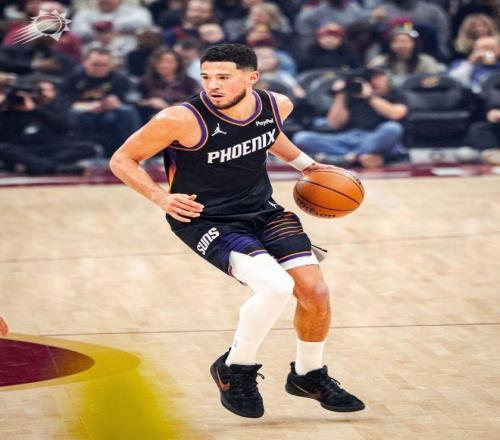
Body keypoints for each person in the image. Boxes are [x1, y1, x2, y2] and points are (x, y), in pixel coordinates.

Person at [110, 43, 364, 419]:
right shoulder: (179, 119)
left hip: (262, 211)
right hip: (206, 219)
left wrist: (308, 166)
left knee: (315, 291)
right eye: (206, 77)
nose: (213, 85)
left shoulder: (277, 105)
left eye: (223, 77)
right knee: (275, 286)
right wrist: (160, 197)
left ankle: (308, 374)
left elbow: (269, 134)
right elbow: (122, 159)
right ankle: (236, 369)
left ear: (251, 78)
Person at [293, 68, 408, 168]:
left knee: (392, 128)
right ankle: (359, 157)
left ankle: (342, 158)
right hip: (347, 138)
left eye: (379, 77)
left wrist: (369, 97)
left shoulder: (395, 94)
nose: (375, 81)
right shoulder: (350, 94)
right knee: (302, 138)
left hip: (376, 138)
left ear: (388, 78)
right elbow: (334, 124)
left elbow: (396, 114)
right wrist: (341, 93)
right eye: (371, 77)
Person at [62, 47, 142, 156]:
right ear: (85, 62)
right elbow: (64, 102)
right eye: (95, 64)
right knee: (73, 114)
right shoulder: (73, 79)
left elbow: (128, 99)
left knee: (127, 110)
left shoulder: (118, 79)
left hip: (109, 113)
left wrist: (116, 103)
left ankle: (133, 153)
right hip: (82, 112)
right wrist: (87, 106)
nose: (99, 68)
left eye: (104, 65)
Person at [137, 47, 200, 121]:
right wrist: (149, 102)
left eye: (169, 62)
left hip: (182, 118)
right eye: (159, 62)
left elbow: (201, 100)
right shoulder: (145, 81)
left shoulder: (189, 82)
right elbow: (134, 100)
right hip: (152, 118)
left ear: (178, 64)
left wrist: (183, 105)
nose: (164, 65)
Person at [368, 26, 444, 86]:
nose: (401, 45)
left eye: (405, 42)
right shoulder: (380, 61)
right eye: (396, 42)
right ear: (390, 45)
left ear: (414, 44)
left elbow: (434, 80)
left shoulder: (426, 61)